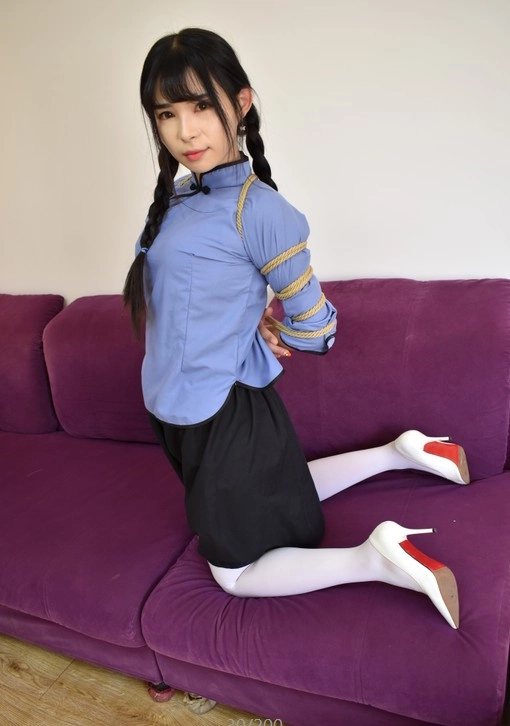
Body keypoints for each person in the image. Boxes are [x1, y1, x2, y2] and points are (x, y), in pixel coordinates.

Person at [123, 27, 470, 629]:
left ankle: (376, 558)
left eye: (201, 105)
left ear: (241, 103)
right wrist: (249, 317)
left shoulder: (259, 210)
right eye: (167, 113)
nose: (186, 130)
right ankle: (400, 451)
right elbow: (186, 297)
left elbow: (319, 329)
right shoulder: (176, 200)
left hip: (223, 409)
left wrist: (276, 333)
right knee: (280, 489)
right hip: (175, 407)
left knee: (234, 574)